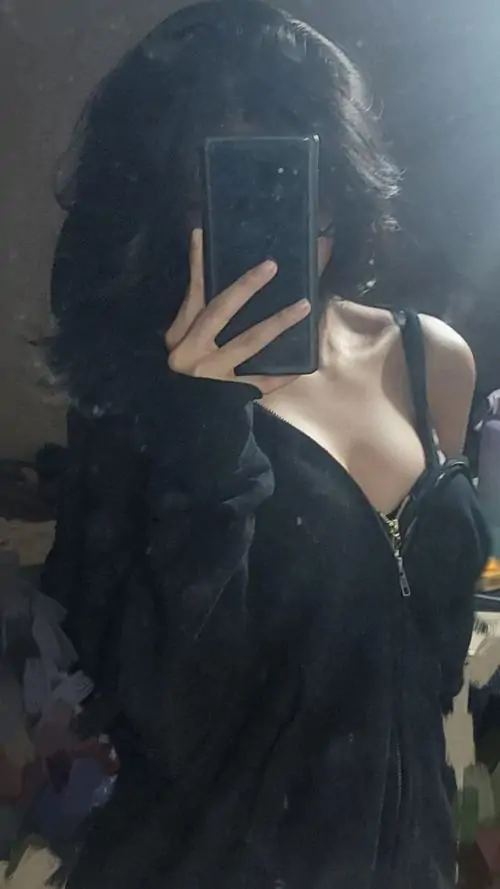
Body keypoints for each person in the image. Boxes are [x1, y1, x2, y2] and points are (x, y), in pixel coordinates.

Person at [41, 2, 489, 887]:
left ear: (339, 179)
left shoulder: (431, 359)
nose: (273, 223)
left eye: (292, 175)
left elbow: (425, 672)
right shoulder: (132, 401)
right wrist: (202, 431)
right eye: (219, 189)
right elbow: (167, 717)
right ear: (167, 207)